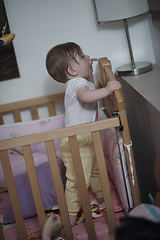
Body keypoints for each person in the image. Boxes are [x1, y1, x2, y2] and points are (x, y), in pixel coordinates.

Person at [46, 42, 121, 227]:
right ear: (72, 71)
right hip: (77, 140)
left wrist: (90, 70)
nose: (87, 56)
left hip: (86, 138)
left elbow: (88, 91)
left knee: (95, 171)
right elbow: (86, 96)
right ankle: (70, 215)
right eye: (81, 56)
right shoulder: (77, 84)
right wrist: (107, 89)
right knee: (78, 179)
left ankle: (103, 199)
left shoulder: (80, 82)